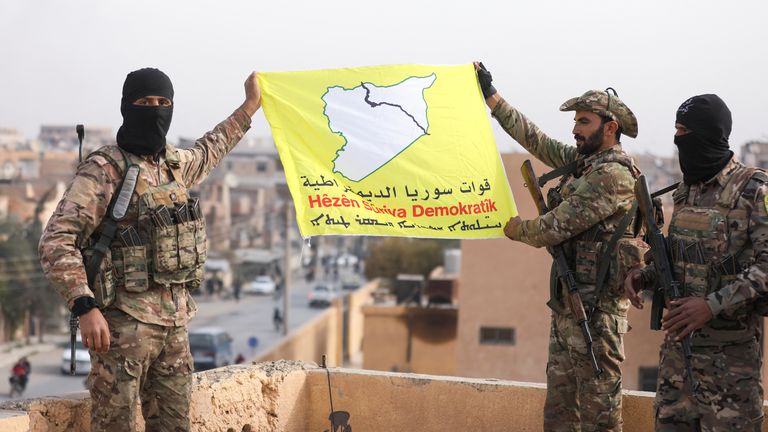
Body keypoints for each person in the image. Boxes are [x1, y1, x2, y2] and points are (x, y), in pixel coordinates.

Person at [39, 67, 261, 432]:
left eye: (163, 102)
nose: (156, 109)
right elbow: (56, 240)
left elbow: (213, 147)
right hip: (121, 329)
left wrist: (250, 106)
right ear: (128, 106)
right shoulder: (104, 170)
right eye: (145, 102)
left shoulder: (174, 166)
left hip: (174, 330)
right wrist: (84, 305)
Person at [476, 62, 646, 431]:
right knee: (559, 417)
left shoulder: (612, 175)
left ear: (610, 128)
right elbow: (535, 139)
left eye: (584, 122)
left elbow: (554, 227)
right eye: (576, 122)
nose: (575, 130)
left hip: (597, 317)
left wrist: (516, 229)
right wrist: (492, 96)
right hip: (570, 307)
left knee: (599, 419)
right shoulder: (585, 164)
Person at [625, 94, 767, 431]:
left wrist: (711, 305)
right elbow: (680, 257)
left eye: (685, 130)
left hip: (730, 368)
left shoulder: (754, 191)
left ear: (710, 134)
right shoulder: (685, 192)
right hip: (677, 362)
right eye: (676, 130)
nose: (678, 139)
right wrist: (644, 277)